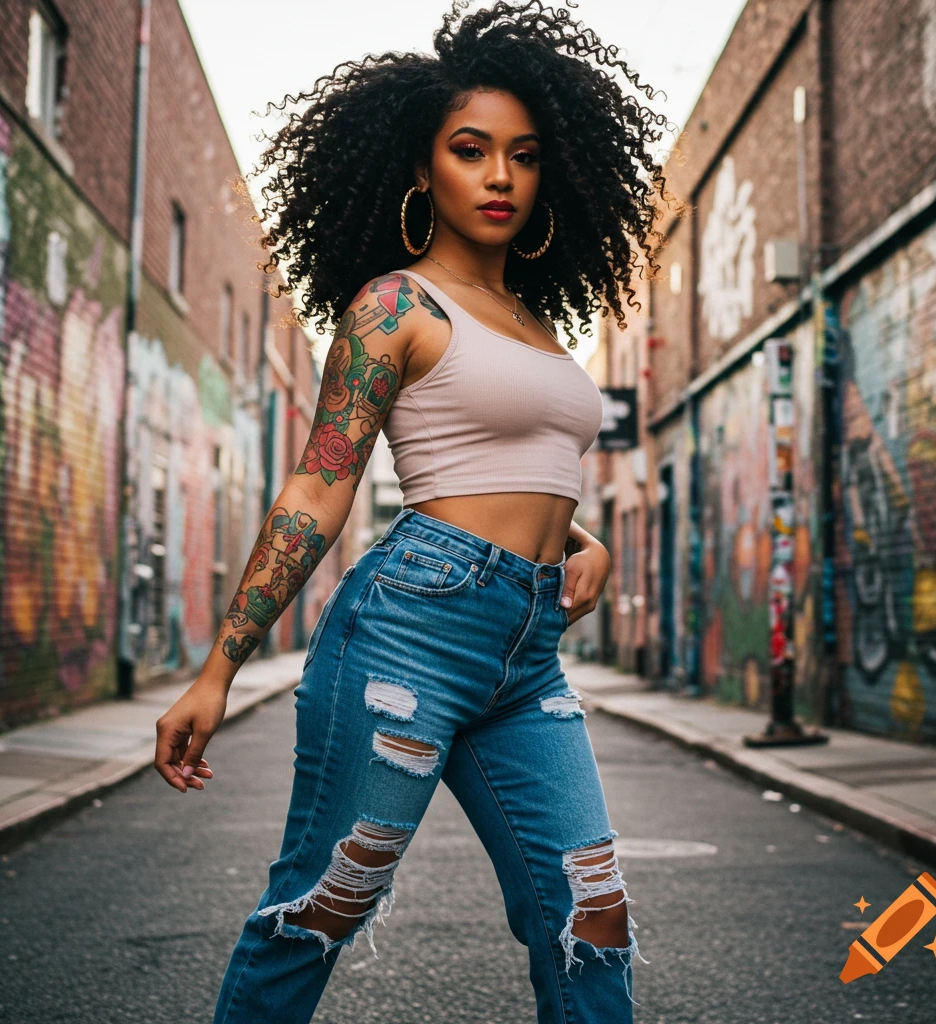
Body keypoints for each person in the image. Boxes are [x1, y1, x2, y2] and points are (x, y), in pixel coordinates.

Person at [153, 2, 675, 1020]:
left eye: (523, 155)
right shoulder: (394, 306)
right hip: (411, 630)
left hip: (527, 650)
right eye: (470, 150)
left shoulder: (533, 322)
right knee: (322, 903)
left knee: (592, 911)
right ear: (423, 167)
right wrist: (217, 670)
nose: (499, 176)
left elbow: (506, 464)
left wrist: (585, 538)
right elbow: (318, 486)